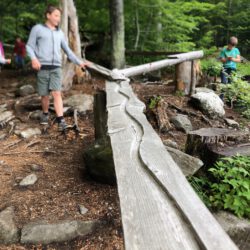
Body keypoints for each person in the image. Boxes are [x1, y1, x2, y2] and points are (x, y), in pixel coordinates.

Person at [26, 5, 89, 131]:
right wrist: (33, 59)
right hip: (42, 67)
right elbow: (29, 46)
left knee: (56, 93)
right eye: (56, 15)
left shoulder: (60, 33)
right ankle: (45, 113)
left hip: (56, 67)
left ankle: (61, 120)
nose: (58, 18)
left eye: (59, 16)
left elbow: (68, 51)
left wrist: (79, 62)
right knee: (44, 95)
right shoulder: (37, 29)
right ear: (48, 15)